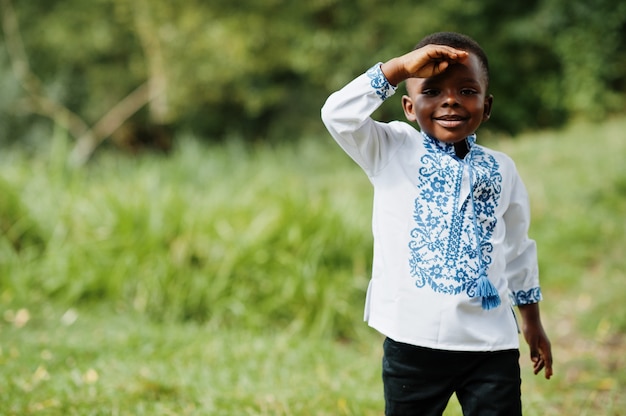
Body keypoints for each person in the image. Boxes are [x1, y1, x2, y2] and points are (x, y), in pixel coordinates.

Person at [321, 32, 553, 415]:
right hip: (413, 343)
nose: (450, 100)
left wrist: (531, 320)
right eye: (432, 91)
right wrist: (397, 69)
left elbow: (517, 247)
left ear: (487, 104)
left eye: (466, 90)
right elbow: (336, 115)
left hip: (490, 345)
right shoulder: (391, 148)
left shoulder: (501, 168)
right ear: (409, 107)